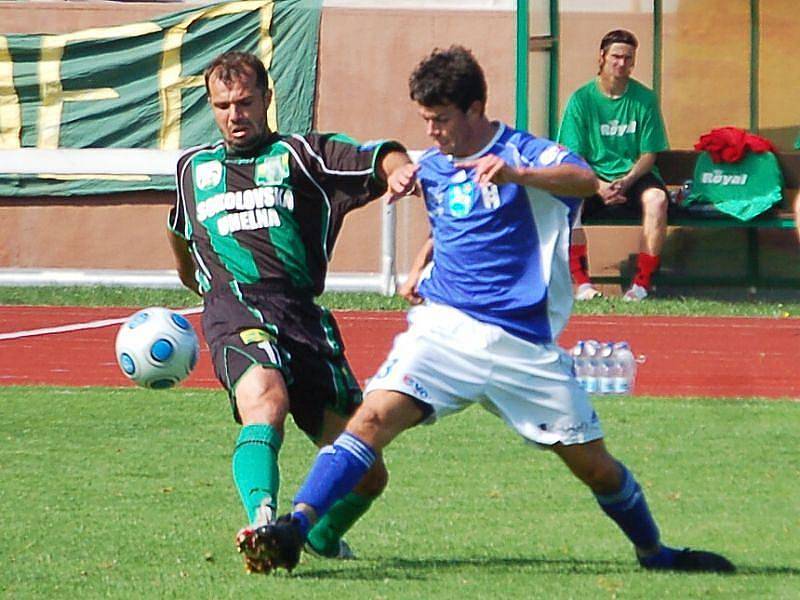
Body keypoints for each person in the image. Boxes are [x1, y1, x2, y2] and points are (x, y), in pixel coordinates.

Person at [252, 46, 735, 574]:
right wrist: (419, 261)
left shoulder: (525, 153)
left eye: (440, 120)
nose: (432, 131)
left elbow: (584, 180)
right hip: (444, 331)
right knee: (369, 419)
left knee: (595, 468)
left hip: (521, 344)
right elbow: (445, 219)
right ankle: (295, 527)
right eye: (425, 120)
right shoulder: (434, 166)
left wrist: (518, 175)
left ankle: (654, 553)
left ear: (476, 108)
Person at [167, 51, 418, 574]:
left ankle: (317, 537)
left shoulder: (302, 156)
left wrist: (398, 173)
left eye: (244, 103)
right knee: (266, 397)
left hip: (301, 318)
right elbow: (179, 229)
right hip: (234, 308)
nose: (235, 115)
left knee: (367, 471)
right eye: (222, 105)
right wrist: (196, 280)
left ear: (266, 99)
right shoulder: (194, 169)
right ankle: (262, 521)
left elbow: (379, 155)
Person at [558, 29, 669, 302]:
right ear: (602, 57)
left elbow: (649, 155)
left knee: (657, 200)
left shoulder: (645, 99)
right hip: (592, 177)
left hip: (633, 178)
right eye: (616, 56)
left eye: (628, 58)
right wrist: (599, 185)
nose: (621, 64)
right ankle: (583, 284)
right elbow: (573, 155)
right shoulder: (581, 100)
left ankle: (641, 285)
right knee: (567, 199)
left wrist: (627, 181)